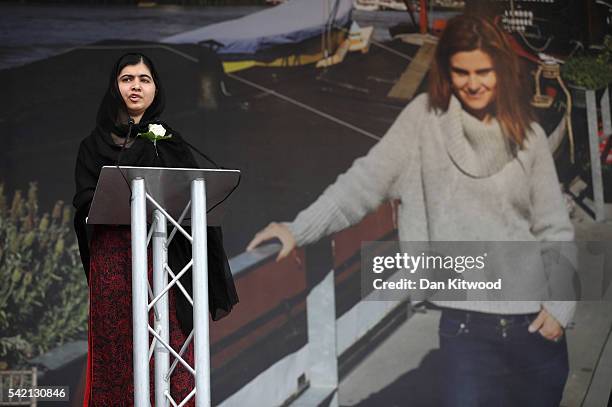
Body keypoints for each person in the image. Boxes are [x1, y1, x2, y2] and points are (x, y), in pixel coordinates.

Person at [247, 15, 574, 406]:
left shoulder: (528, 134)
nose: (473, 83)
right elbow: (363, 184)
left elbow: (554, 229)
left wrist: (559, 308)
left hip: (536, 331)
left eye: (483, 72)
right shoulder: (424, 121)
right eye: (461, 72)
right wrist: (297, 229)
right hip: (466, 334)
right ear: (446, 71)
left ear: (501, 69)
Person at [73, 53, 238, 406]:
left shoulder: (170, 141)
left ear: (155, 89)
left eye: (144, 79)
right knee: (119, 349)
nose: (135, 86)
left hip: (162, 257)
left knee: (167, 340)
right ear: (114, 87)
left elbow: (192, 197)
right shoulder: (92, 145)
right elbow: (85, 202)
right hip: (114, 261)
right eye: (127, 78)